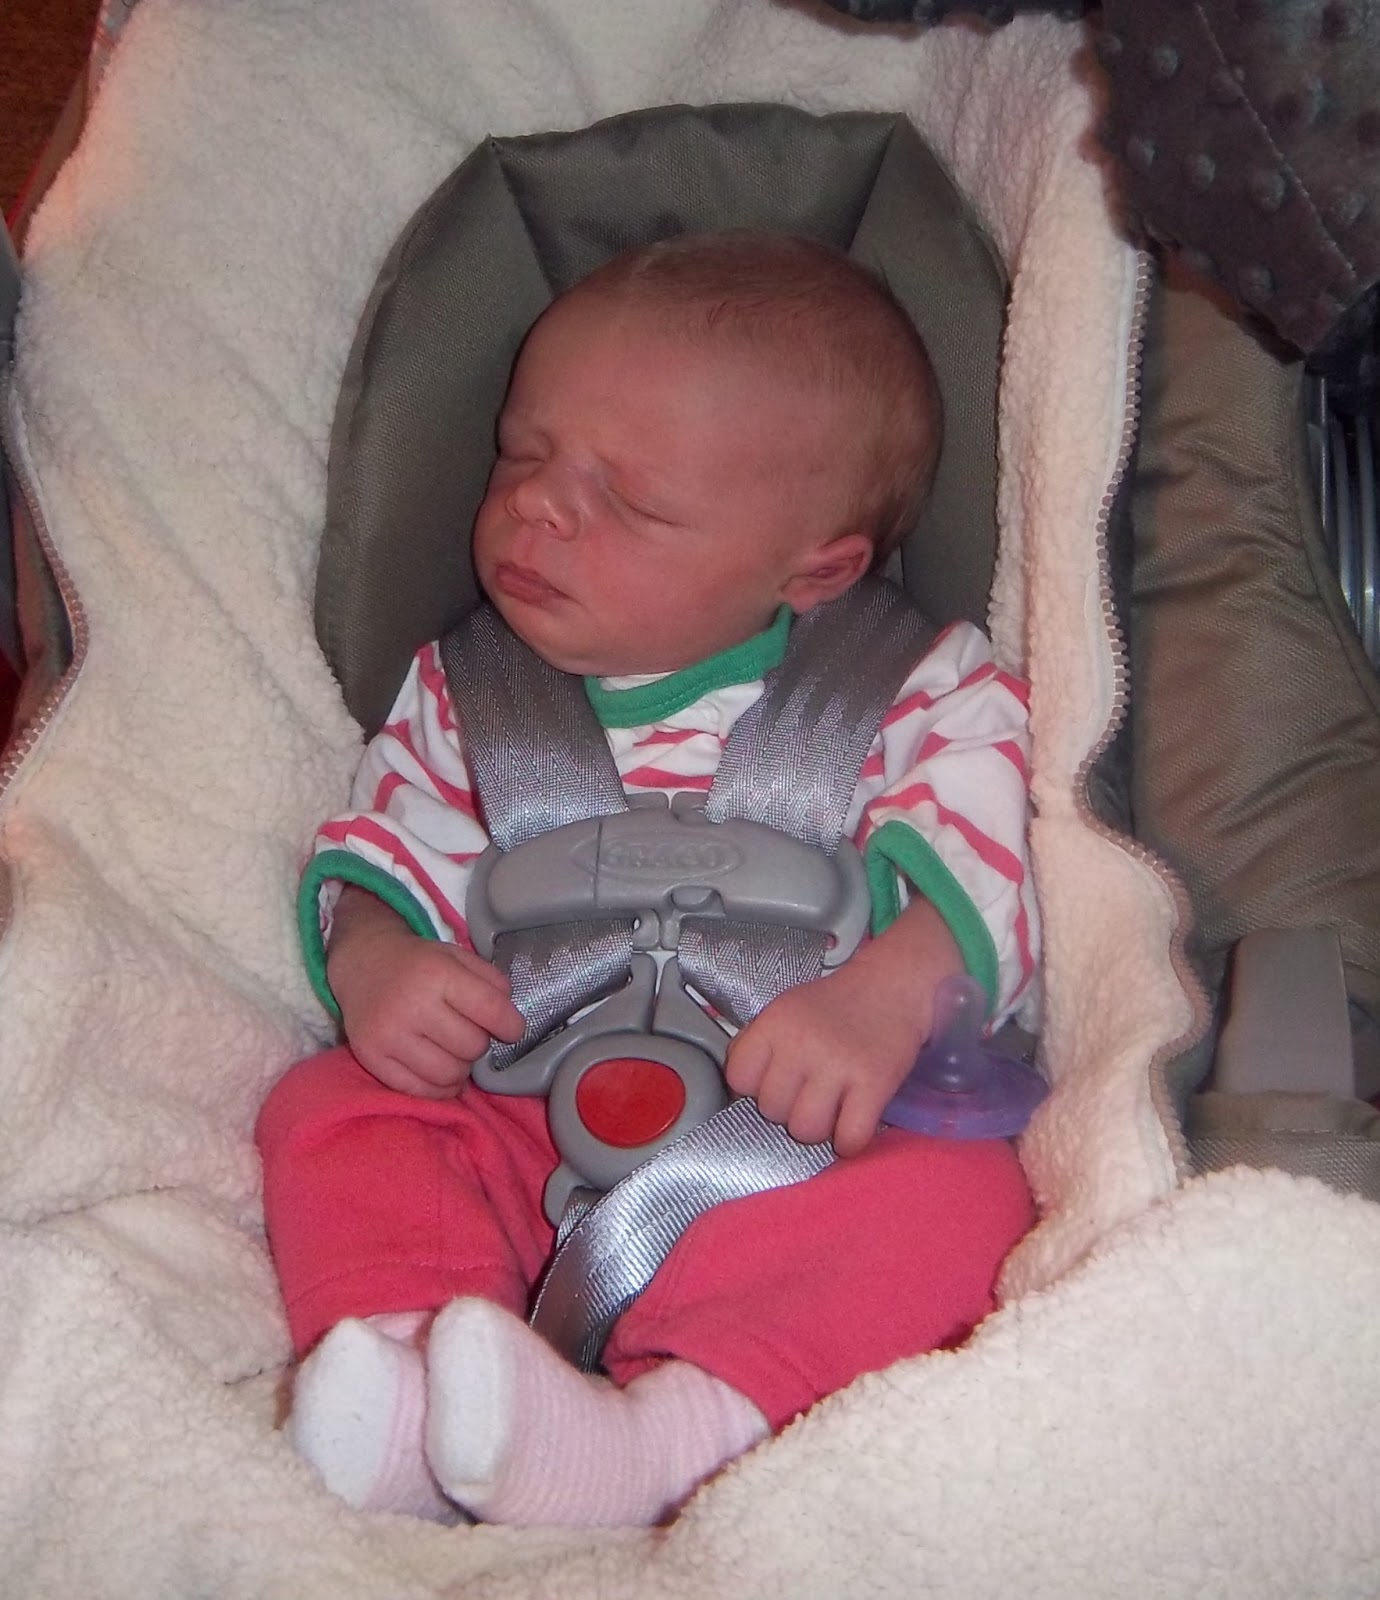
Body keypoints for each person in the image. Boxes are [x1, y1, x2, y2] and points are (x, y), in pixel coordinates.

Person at [256, 232, 1039, 1527]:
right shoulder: (468, 692)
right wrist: (380, 960)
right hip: (522, 1098)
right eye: (522, 454)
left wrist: (888, 995)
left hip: (799, 1133)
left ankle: (664, 1441)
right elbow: (388, 843)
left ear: (817, 570)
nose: (540, 509)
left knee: (965, 1203)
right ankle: (410, 1378)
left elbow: (988, 836)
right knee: (331, 1107)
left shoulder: (918, 688)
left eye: (632, 500)